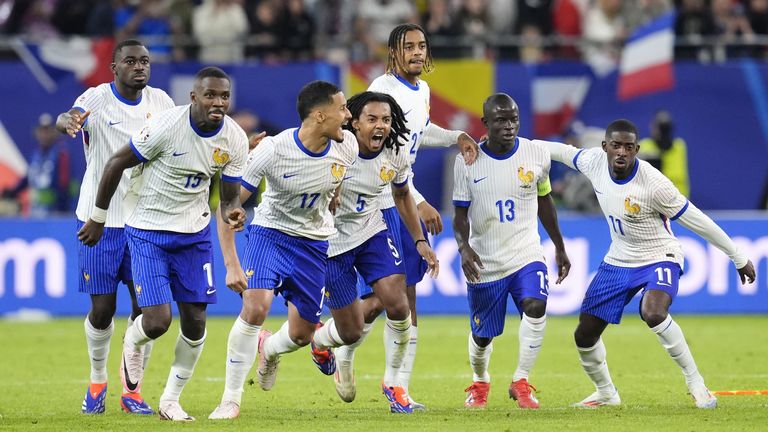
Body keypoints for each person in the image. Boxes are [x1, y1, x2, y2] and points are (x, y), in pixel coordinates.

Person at [542, 119, 756, 408]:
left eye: (628, 147)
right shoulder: (592, 161)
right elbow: (558, 150)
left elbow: (697, 221)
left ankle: (696, 383)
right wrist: (519, 147)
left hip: (660, 255)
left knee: (653, 312)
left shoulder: (654, 184)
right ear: (604, 147)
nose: (621, 152)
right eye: (615, 146)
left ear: (637, 150)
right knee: (584, 334)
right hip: (619, 258)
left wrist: (737, 256)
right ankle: (606, 393)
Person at [77, 66, 249, 421]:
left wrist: (234, 212)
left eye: (225, 96)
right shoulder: (166, 127)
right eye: (211, 96)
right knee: (156, 321)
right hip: (148, 231)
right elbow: (114, 164)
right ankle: (131, 344)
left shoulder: (233, 138)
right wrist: (97, 216)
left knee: (196, 321)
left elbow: (230, 197)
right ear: (194, 97)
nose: (218, 103)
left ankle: (170, 400)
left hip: (195, 233)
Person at [337, 22, 479, 411]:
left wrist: (456, 137)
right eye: (408, 46)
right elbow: (381, 153)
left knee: (401, 300)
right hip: (380, 202)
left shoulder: (422, 90)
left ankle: (394, 384)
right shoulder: (382, 92)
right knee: (392, 298)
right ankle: (343, 351)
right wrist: (417, 200)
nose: (417, 52)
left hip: (398, 195)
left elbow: (417, 133)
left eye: (422, 46)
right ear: (393, 53)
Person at [208, 80, 357, 420]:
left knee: (303, 335)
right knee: (257, 306)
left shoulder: (346, 146)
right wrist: (231, 263)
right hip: (270, 235)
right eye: (343, 109)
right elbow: (228, 206)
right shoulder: (273, 150)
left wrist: (334, 193)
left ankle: (269, 348)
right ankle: (230, 400)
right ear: (319, 116)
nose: (348, 116)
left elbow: (338, 176)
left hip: (314, 244)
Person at [55, 39, 175, 415]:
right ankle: (96, 380)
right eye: (130, 61)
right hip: (99, 220)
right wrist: (67, 121)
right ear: (114, 67)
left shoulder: (162, 103)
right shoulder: (97, 98)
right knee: (103, 309)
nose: (139, 66)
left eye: (145, 61)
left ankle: (132, 390)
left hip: (146, 221)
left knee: (147, 310)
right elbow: (70, 115)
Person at [308, 91, 439, 413]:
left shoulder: (395, 153)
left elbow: (403, 195)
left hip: (371, 231)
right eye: (372, 119)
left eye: (386, 119)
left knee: (397, 303)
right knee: (350, 328)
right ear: (354, 122)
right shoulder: (335, 150)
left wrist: (420, 241)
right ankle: (321, 340)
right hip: (332, 242)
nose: (380, 126)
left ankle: (394, 384)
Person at [453, 94, 571, 409]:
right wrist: (464, 248)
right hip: (485, 261)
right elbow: (460, 215)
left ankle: (521, 380)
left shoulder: (536, 154)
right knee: (483, 337)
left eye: (514, 119)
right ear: (486, 123)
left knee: (536, 305)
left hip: (526, 253)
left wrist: (559, 246)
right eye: (501, 120)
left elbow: (545, 201)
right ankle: (480, 382)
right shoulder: (468, 160)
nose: (509, 126)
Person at [3, 113, 71, 217]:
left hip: (54, 213)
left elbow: (64, 185)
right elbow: (29, 177)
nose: (44, 135)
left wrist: (61, 211)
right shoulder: (35, 155)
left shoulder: (61, 155)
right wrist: (13, 191)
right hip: (35, 211)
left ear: (54, 132)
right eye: (42, 130)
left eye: (48, 131)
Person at [637, 110, 690, 197]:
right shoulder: (644, 146)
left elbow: (665, 146)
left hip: (679, 198)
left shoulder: (679, 146)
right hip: (653, 199)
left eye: (665, 128)